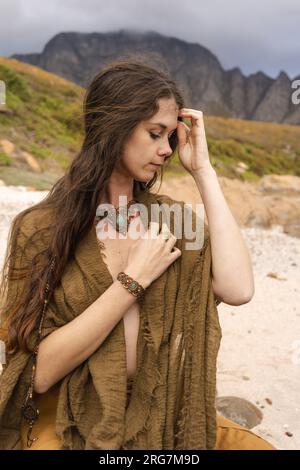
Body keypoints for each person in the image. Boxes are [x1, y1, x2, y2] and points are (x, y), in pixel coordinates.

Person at [0, 57, 275, 450]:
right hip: (70, 412)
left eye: (171, 138)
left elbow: (237, 289)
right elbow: (39, 373)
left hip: (161, 407)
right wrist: (131, 282)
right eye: (155, 134)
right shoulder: (42, 228)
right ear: (114, 128)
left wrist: (204, 172)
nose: (166, 150)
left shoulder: (171, 220)